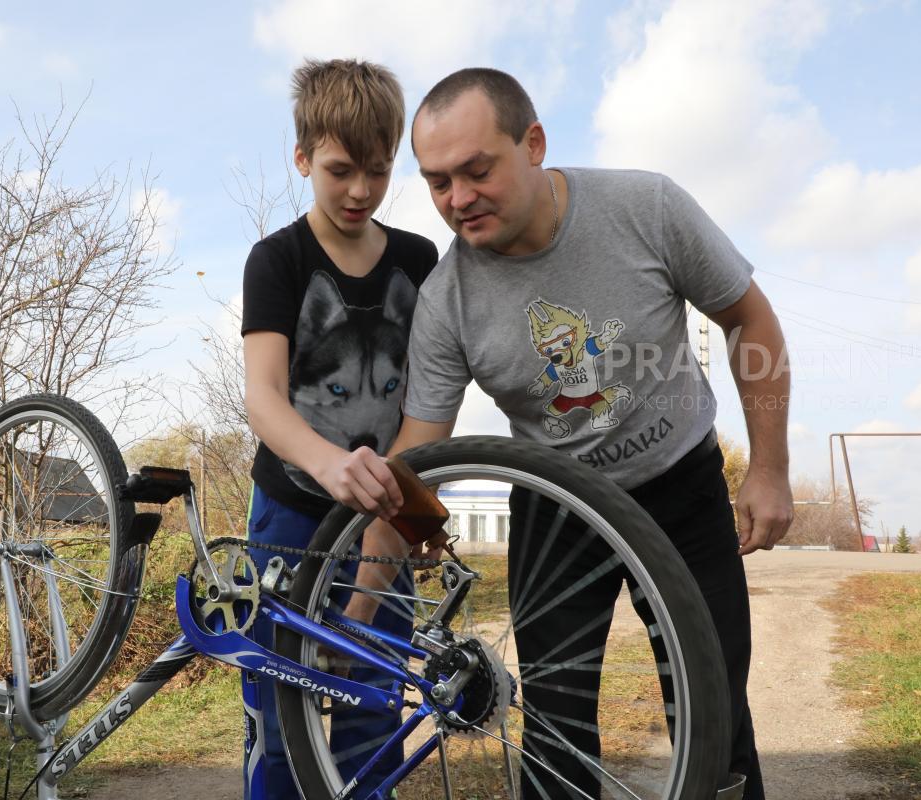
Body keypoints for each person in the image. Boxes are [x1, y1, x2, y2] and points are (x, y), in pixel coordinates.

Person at [348, 68, 793, 799]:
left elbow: (750, 318)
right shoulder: (446, 303)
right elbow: (415, 458)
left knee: (714, 712)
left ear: (533, 143)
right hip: (560, 509)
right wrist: (359, 616)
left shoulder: (645, 206)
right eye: (436, 182)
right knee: (553, 735)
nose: (457, 199)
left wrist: (769, 468)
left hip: (679, 487)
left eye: (476, 170)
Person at [239, 57, 439, 799]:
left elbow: (426, 402)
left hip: (382, 519)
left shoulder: (419, 261)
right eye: (340, 169)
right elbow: (263, 399)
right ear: (302, 159)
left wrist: (374, 559)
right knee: (280, 725)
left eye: (379, 171)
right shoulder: (277, 260)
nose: (360, 191)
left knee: (372, 713)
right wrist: (329, 464)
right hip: (288, 512)